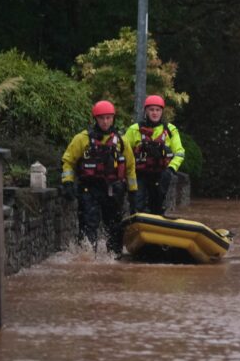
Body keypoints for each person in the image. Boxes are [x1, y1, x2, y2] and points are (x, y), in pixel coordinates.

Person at [61, 100, 137, 254]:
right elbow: (68, 161)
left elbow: (130, 167)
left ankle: (114, 257)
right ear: (95, 119)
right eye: (102, 118)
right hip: (89, 189)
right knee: (89, 225)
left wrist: (133, 191)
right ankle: (88, 257)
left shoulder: (122, 142)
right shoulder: (82, 139)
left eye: (109, 118)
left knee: (115, 227)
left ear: (113, 118)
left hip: (113, 191)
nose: (105, 121)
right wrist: (67, 182)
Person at [123, 95, 185, 216]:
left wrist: (171, 169)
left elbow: (180, 152)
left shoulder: (170, 130)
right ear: (146, 111)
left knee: (157, 206)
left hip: (161, 174)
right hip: (139, 174)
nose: (155, 113)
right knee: (137, 204)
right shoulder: (134, 129)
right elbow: (123, 152)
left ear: (162, 112)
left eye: (158, 110)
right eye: (151, 110)